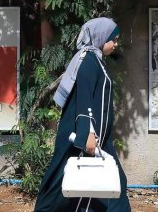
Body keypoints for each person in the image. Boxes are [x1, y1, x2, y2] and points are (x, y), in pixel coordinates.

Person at [35, 17, 130, 212]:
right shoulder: (88, 61)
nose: (116, 44)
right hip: (85, 138)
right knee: (61, 182)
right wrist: (86, 134)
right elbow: (84, 99)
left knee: (113, 182)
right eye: (114, 39)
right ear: (101, 37)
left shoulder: (97, 61)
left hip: (99, 140)